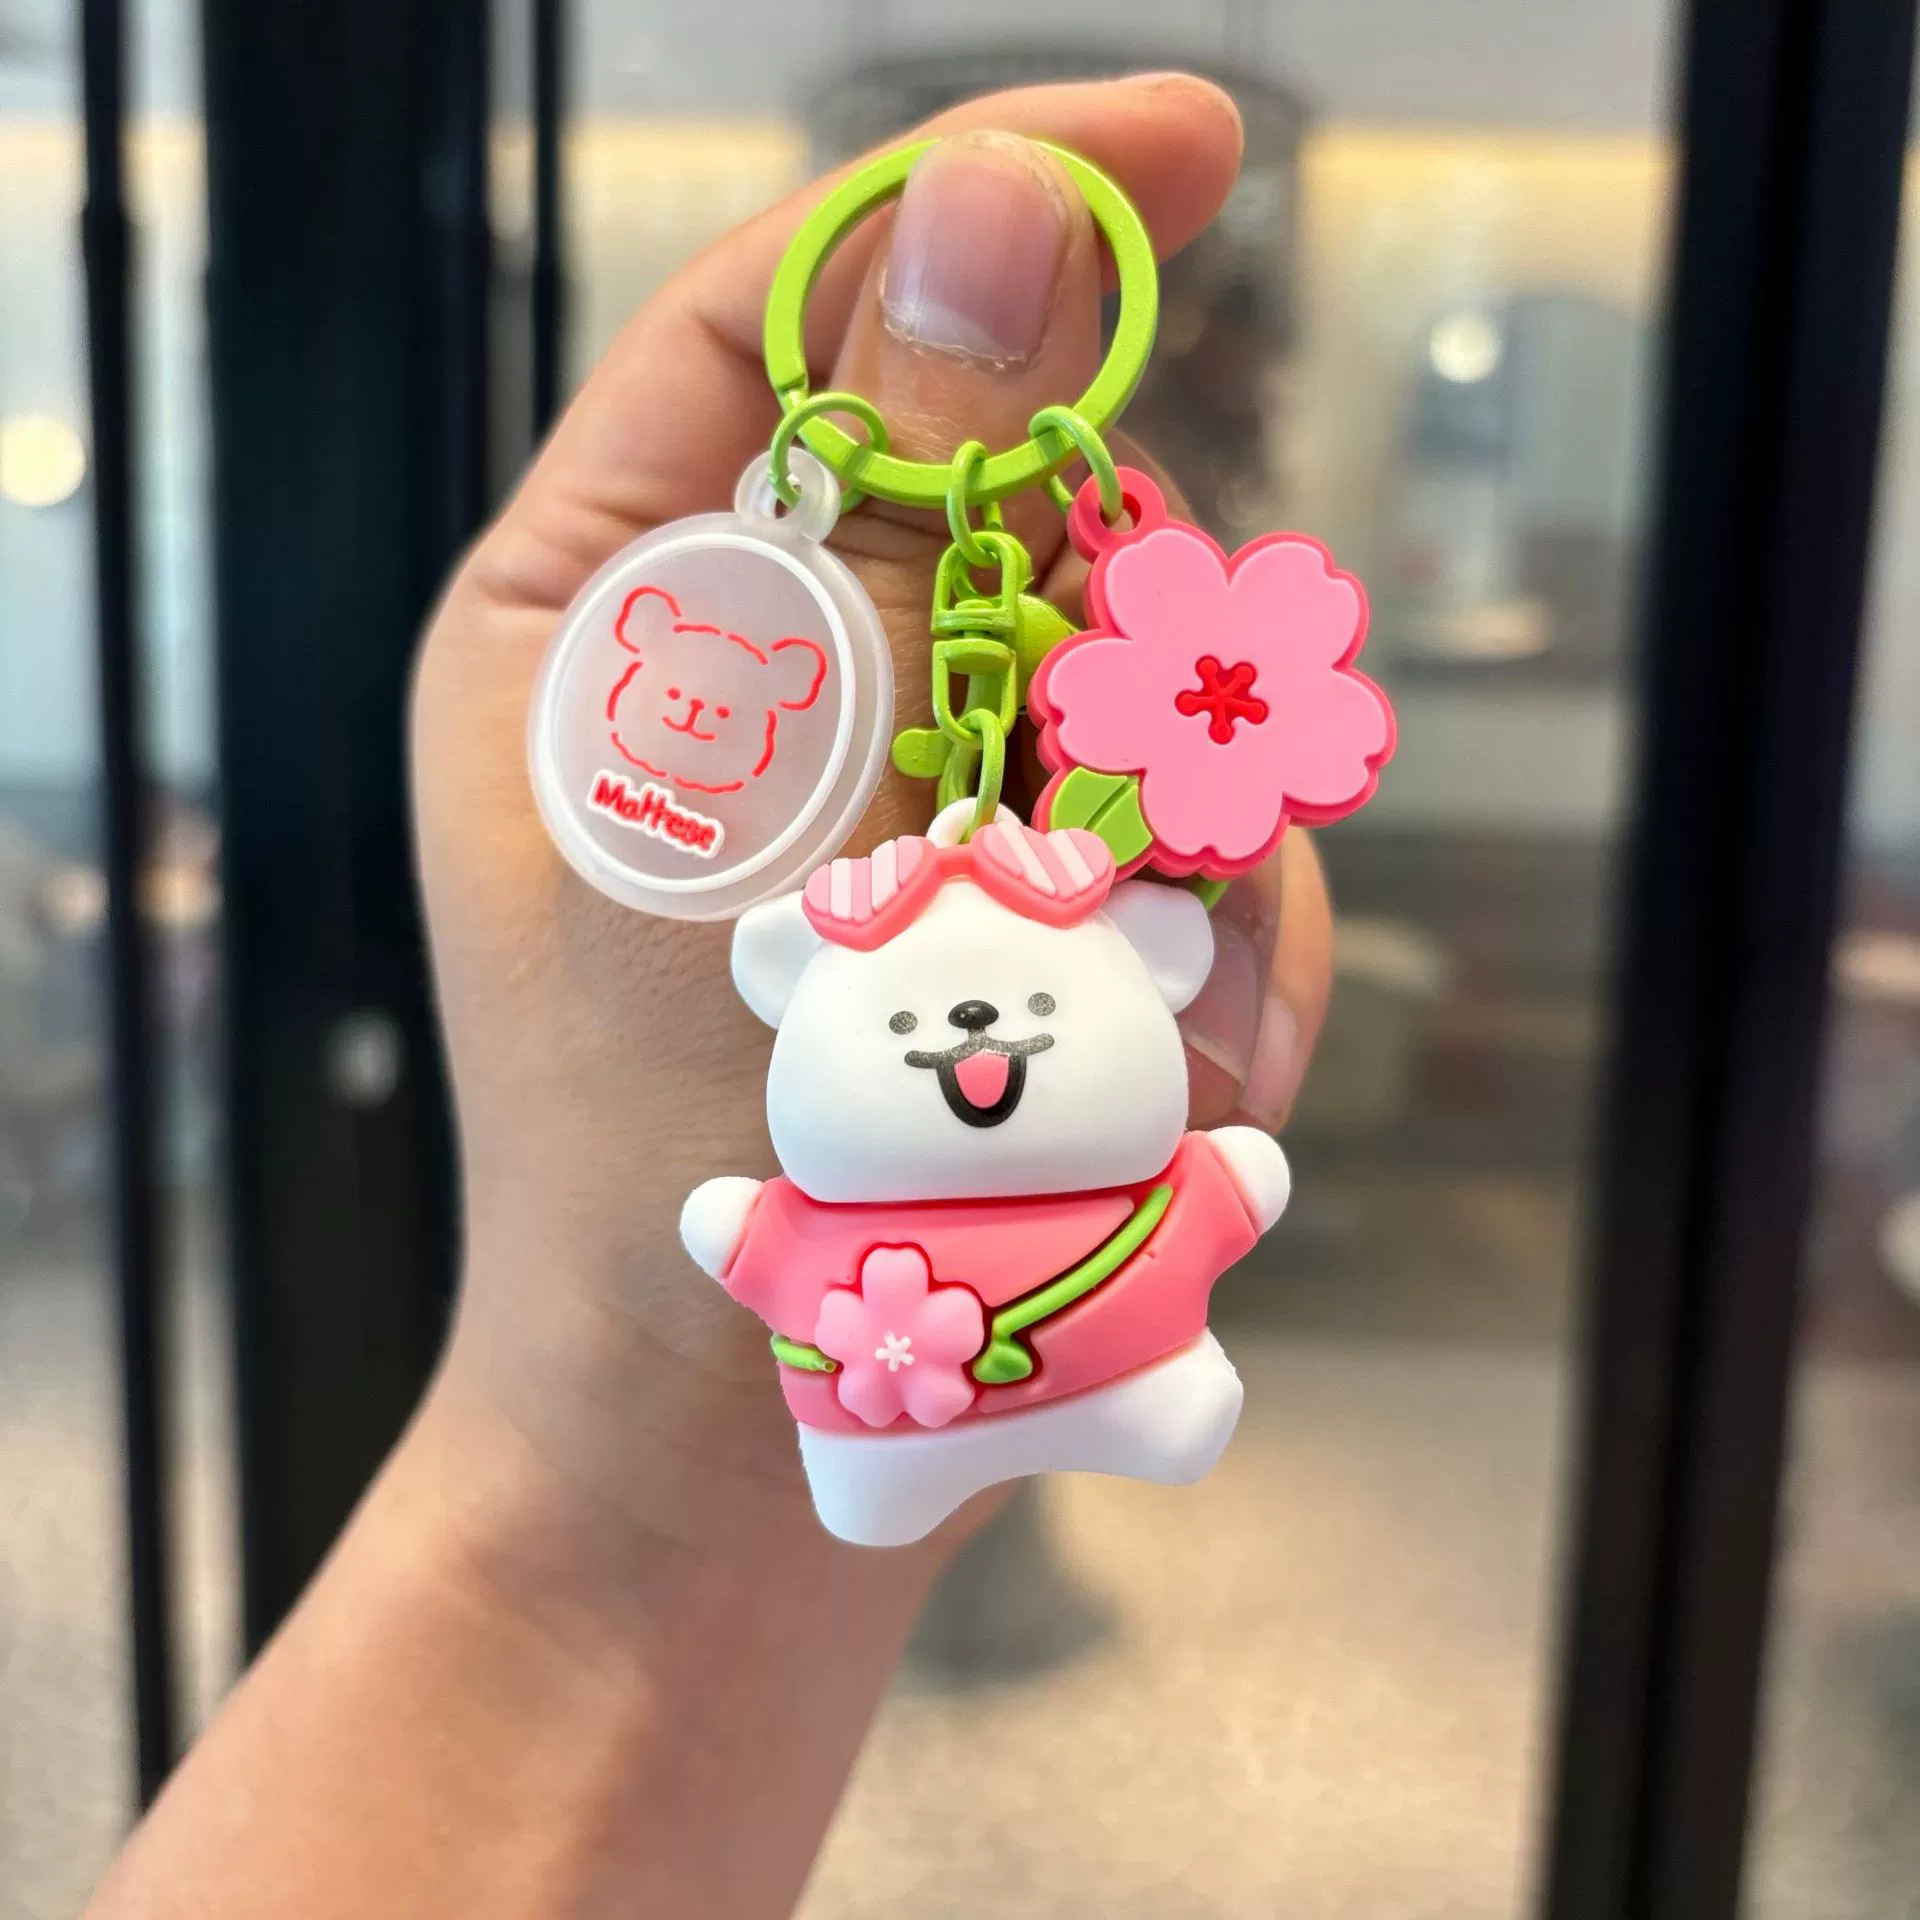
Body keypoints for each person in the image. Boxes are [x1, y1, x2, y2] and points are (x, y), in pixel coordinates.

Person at [88, 75, 1333, 1918]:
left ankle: (1090, 1410)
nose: (975, 1042)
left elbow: (1191, 1191)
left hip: (1018, 1371)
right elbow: (749, 1237)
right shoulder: (865, 979)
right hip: (860, 1399)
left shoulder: (1068, 953)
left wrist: (660, 1487)